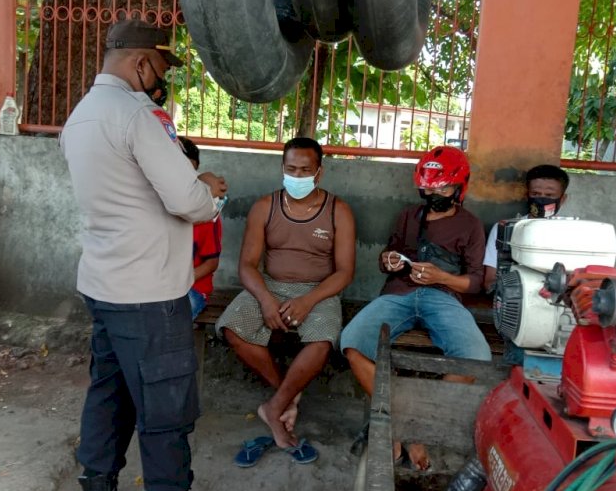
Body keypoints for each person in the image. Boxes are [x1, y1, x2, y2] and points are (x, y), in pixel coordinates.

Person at [61, 19, 227, 491]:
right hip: (150, 295)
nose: (160, 79)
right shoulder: (140, 116)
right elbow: (188, 201)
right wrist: (210, 191)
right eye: (159, 66)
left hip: (103, 285)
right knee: (166, 408)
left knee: (108, 395)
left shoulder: (81, 116)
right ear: (140, 63)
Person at [340, 145, 491, 471]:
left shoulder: (470, 225)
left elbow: (476, 282)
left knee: (477, 359)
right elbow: (389, 256)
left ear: (460, 187)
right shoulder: (409, 215)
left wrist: (443, 277)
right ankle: (405, 429)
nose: (434, 193)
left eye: (443, 188)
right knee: (353, 344)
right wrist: (388, 260)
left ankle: (408, 427)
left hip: (442, 298)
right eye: (428, 188)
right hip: (399, 294)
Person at [216, 137, 355, 461]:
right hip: (270, 286)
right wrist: (265, 299)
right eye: (291, 169)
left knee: (321, 341)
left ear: (318, 173)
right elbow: (247, 266)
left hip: (319, 291)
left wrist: (308, 300)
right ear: (282, 169)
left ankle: (275, 406)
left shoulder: (339, 211)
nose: (297, 175)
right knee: (231, 329)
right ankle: (287, 398)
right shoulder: (265, 206)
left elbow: (345, 272)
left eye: (305, 170)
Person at [482, 164, 570, 292]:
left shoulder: (570, 233)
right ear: (526, 195)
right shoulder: (505, 229)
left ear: (562, 199)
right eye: (536, 193)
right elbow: (489, 280)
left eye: (549, 195)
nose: (542, 199)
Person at [179, 136, 224, 321]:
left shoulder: (207, 215)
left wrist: (180, 281)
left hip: (193, 289)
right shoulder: (156, 208)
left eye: (189, 173)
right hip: (159, 288)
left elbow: (211, 263)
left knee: (170, 319)